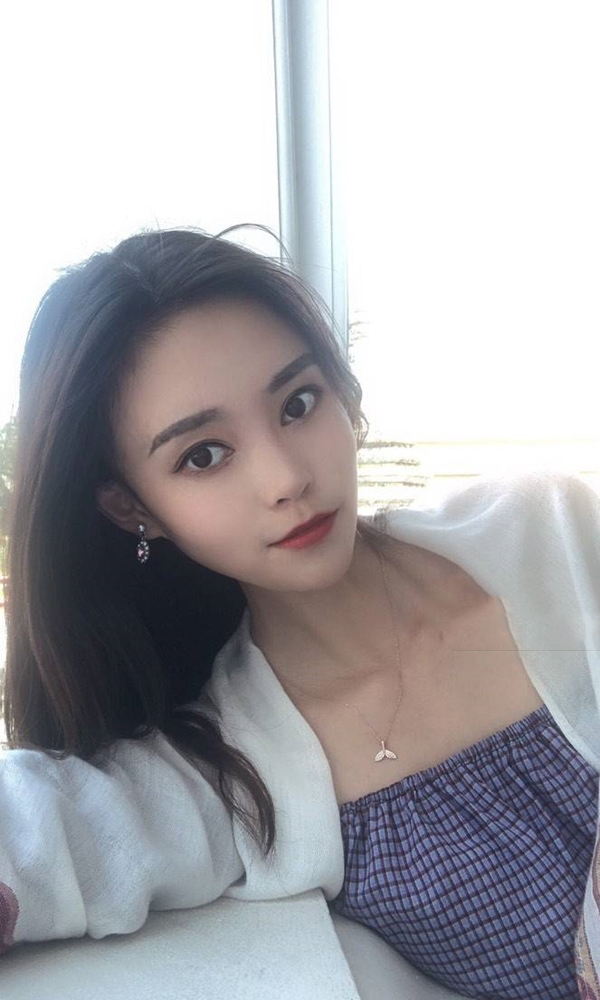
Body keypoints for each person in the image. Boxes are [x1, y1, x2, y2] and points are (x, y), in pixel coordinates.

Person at [1, 227, 600, 1000]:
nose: (286, 477)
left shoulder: (556, 535)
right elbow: (40, 836)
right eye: (204, 455)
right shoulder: (225, 772)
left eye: (297, 403)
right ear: (132, 508)